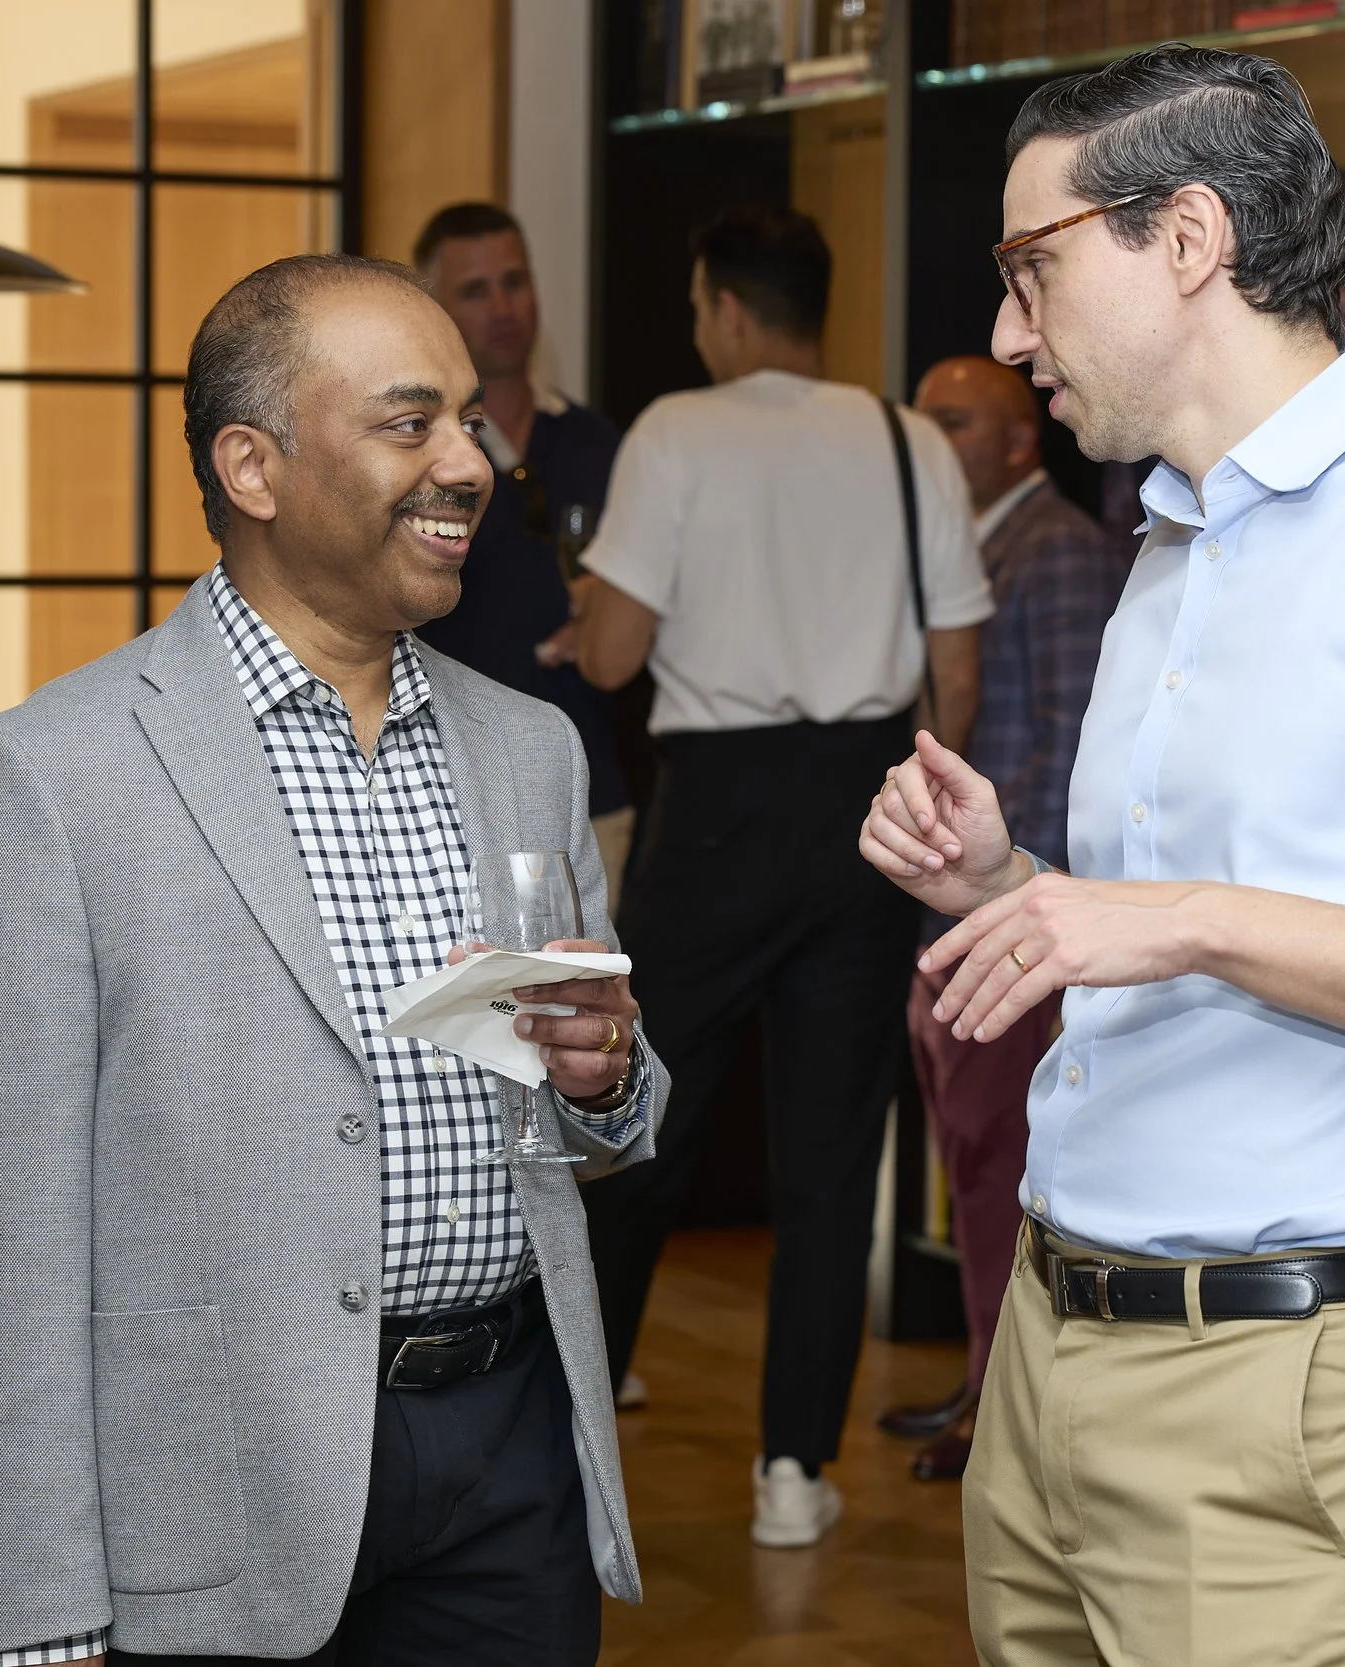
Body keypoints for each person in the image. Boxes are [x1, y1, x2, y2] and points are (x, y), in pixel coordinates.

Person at [858, 45, 1345, 1667]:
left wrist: (1188, 920)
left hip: (1277, 1389)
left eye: (1031, 268)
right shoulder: (1175, 537)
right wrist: (1015, 891)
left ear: (1188, 238)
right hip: (1050, 1349)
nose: (1010, 333)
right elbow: (1163, 944)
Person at [0, 253, 669, 1667]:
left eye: (467, 419)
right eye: (410, 422)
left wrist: (604, 1073)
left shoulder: (530, 748)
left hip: (513, 1457)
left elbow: (600, 1121)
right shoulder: (55, 776)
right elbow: (13, 1241)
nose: (469, 462)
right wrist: (33, 1605)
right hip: (216, 1479)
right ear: (252, 467)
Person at [567, 205, 993, 1548]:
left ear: (725, 307)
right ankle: (794, 1473)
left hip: (714, 811)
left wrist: (583, 617)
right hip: (868, 806)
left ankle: (575, 1436)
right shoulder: (907, 438)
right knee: (831, 1149)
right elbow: (956, 671)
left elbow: (613, 655)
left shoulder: (675, 431)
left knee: (632, 1115)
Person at [875, 355, 1128, 1482]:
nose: (932, 439)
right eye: (923, 421)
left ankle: (1002, 1401)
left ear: (1023, 441)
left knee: (998, 1166)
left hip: (1020, 924)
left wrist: (1007, 896)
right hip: (966, 913)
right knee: (972, 1162)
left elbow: (1073, 748)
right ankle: (988, 1377)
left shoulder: (1057, 546)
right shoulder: (966, 543)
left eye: (959, 422)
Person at [409, 201, 636, 901]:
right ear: (435, 310)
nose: (503, 308)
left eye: (515, 282)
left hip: (587, 782)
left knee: (582, 969)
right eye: (476, 290)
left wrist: (604, 618)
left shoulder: (597, 443)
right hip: (441, 783)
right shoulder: (413, 452)